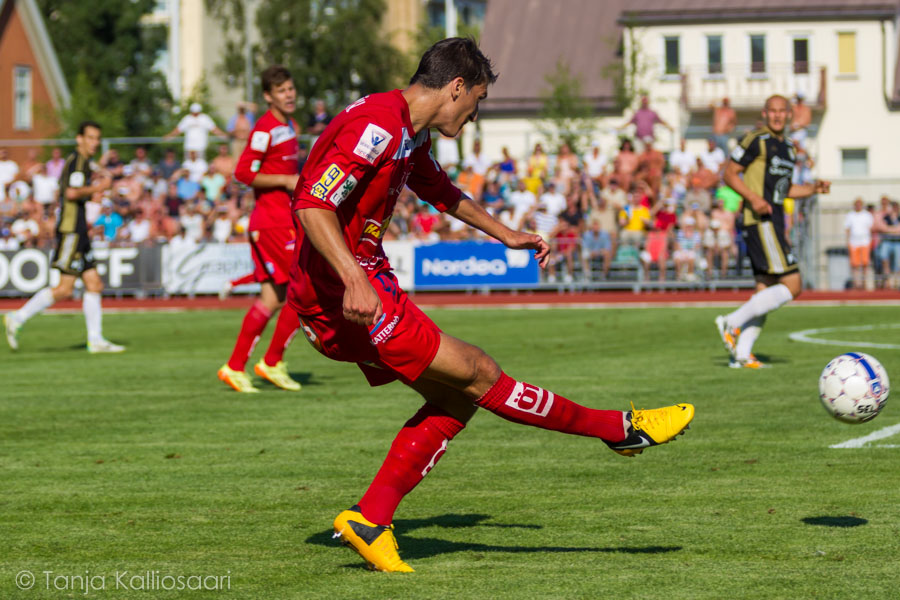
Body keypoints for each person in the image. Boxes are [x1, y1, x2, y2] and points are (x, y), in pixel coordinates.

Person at [286, 38, 695, 573]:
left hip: (361, 283)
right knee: (479, 371)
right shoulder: (378, 127)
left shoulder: (408, 133)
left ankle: (370, 520)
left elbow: (442, 191)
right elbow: (311, 202)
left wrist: (506, 234)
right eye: (475, 103)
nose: (474, 117)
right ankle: (619, 429)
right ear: (456, 87)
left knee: (458, 399)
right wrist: (351, 279)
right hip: (342, 295)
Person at [715, 95, 830, 369]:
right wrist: (753, 198)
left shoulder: (789, 148)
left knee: (764, 290)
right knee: (793, 285)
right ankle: (731, 322)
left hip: (774, 220)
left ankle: (742, 355)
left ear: (789, 114)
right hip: (760, 219)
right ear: (765, 113)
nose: (778, 116)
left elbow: (785, 189)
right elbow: (729, 174)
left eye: (782, 111)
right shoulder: (756, 140)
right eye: (773, 111)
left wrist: (814, 188)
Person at [217, 65, 304, 393]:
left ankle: (235, 367)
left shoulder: (289, 125)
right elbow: (242, 172)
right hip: (272, 223)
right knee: (304, 291)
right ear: (268, 97)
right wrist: (283, 180)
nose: (290, 94)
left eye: (291, 88)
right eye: (282, 91)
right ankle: (271, 361)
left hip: (280, 220)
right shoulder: (265, 128)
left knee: (271, 298)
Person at [4, 121, 124, 353]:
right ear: (79, 139)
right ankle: (18, 317)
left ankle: (96, 340)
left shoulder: (82, 162)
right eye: (90, 138)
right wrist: (101, 187)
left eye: (97, 138)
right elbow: (71, 192)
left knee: (94, 283)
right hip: (71, 231)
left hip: (80, 230)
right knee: (65, 289)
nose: (94, 143)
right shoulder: (77, 162)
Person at [163, 103, 228, 158]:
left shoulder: (204, 118)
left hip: (201, 147)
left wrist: (223, 136)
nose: (195, 114)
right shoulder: (187, 119)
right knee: (188, 167)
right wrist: (169, 136)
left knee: (200, 166)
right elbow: (178, 130)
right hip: (189, 148)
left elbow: (214, 129)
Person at [844, 197, 874, 289]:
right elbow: (847, 229)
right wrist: (848, 241)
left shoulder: (867, 215)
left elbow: (870, 228)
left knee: (865, 263)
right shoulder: (850, 215)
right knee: (855, 264)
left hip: (865, 242)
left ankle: (864, 282)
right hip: (854, 242)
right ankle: (857, 283)